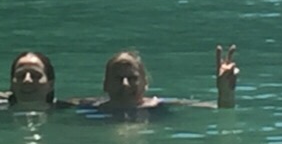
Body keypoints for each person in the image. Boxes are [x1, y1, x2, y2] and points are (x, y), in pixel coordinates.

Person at [75, 45, 239, 117]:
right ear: (105, 84)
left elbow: (221, 108)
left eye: (132, 78)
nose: (125, 84)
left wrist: (225, 93)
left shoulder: (159, 106)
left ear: (145, 83)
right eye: (118, 79)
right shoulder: (89, 106)